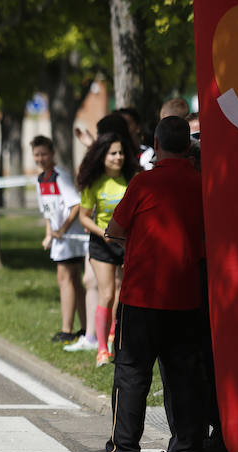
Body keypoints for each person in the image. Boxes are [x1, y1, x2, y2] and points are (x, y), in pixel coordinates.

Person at [91, 116, 205, 452]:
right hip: (187, 294)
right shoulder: (201, 184)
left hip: (142, 295)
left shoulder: (143, 182)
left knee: (132, 374)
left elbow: (116, 229)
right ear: (188, 146)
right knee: (184, 376)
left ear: (155, 144)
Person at [77, 132, 138, 367]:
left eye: (121, 152)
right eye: (113, 153)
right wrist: (103, 233)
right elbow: (83, 217)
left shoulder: (131, 179)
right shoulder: (94, 183)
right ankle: (102, 349)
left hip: (126, 244)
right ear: (103, 156)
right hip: (102, 244)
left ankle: (114, 336)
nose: (118, 157)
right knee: (107, 294)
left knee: (122, 293)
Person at [30, 136, 87, 343]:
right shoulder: (40, 180)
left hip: (71, 237)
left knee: (65, 279)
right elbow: (47, 211)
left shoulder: (60, 176)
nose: (40, 158)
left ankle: (67, 330)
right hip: (59, 238)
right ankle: (85, 328)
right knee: (74, 281)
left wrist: (62, 230)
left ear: (52, 153)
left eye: (44, 154)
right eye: (37, 155)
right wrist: (49, 234)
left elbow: (76, 205)